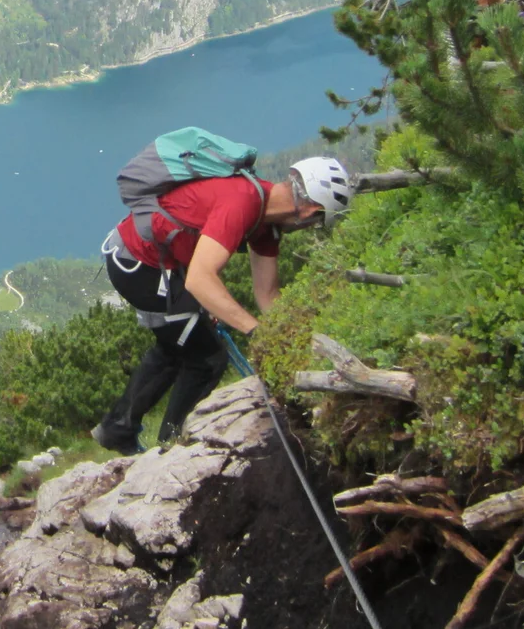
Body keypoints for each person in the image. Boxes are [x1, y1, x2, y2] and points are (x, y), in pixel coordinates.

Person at [91, 156, 355, 454]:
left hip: (145, 257)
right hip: (139, 264)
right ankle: (172, 447)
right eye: (317, 222)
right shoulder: (241, 203)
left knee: (181, 342)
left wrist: (295, 341)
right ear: (310, 210)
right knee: (207, 358)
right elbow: (200, 281)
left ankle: (117, 429)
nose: (310, 227)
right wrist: (254, 330)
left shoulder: (267, 224)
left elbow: (267, 294)